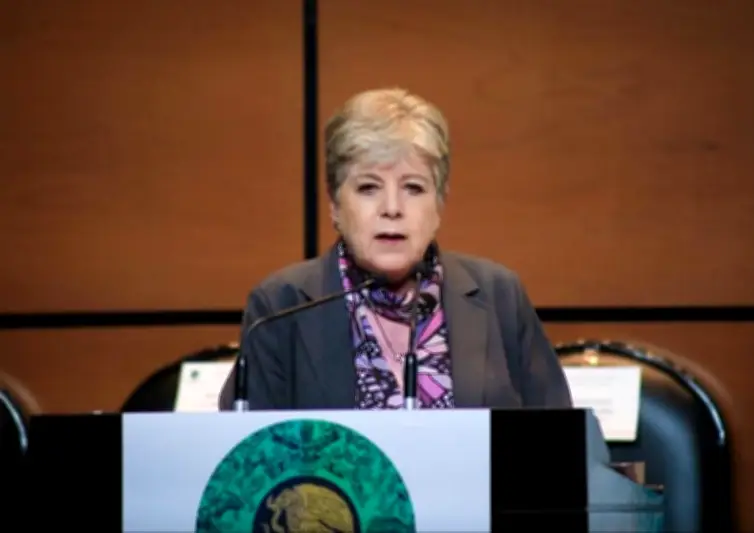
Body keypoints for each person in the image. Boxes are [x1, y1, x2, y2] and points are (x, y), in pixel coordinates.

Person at [218, 87, 572, 411]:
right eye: (368, 188)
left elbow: (561, 441)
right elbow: (251, 453)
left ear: (439, 204)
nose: (392, 208)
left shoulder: (499, 295)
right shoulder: (280, 306)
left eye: (413, 188)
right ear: (335, 205)